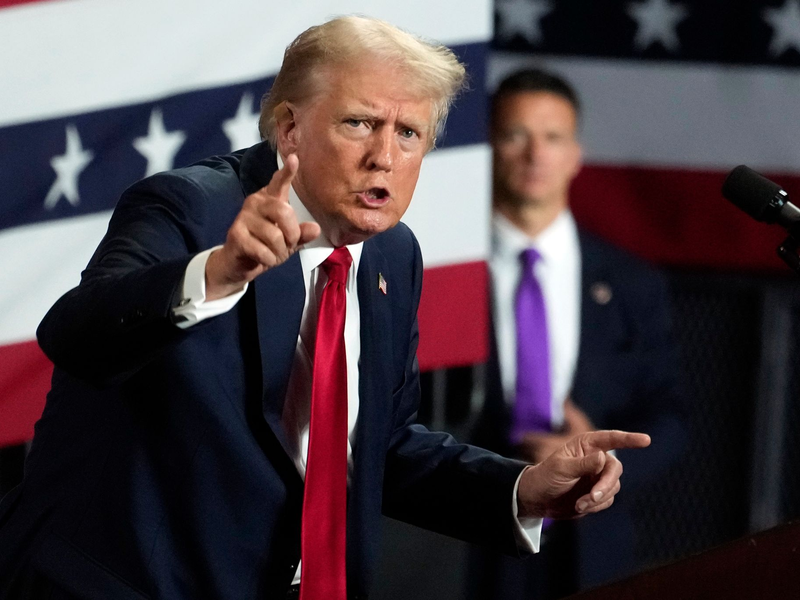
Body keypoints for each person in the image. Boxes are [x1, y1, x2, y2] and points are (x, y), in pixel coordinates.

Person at [0, 21, 650, 600]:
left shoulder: (393, 253)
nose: (384, 157)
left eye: (408, 133)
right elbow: (76, 333)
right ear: (289, 128)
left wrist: (518, 489)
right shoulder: (191, 207)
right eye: (360, 123)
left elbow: (377, 444)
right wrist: (218, 272)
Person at [469, 68, 685, 599]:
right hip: (467, 538)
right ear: (490, 147)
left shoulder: (632, 282)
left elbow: (672, 415)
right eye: (516, 135)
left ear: (575, 154)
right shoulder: (436, 272)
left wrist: (605, 463)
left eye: (553, 137)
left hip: (591, 546)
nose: (535, 154)